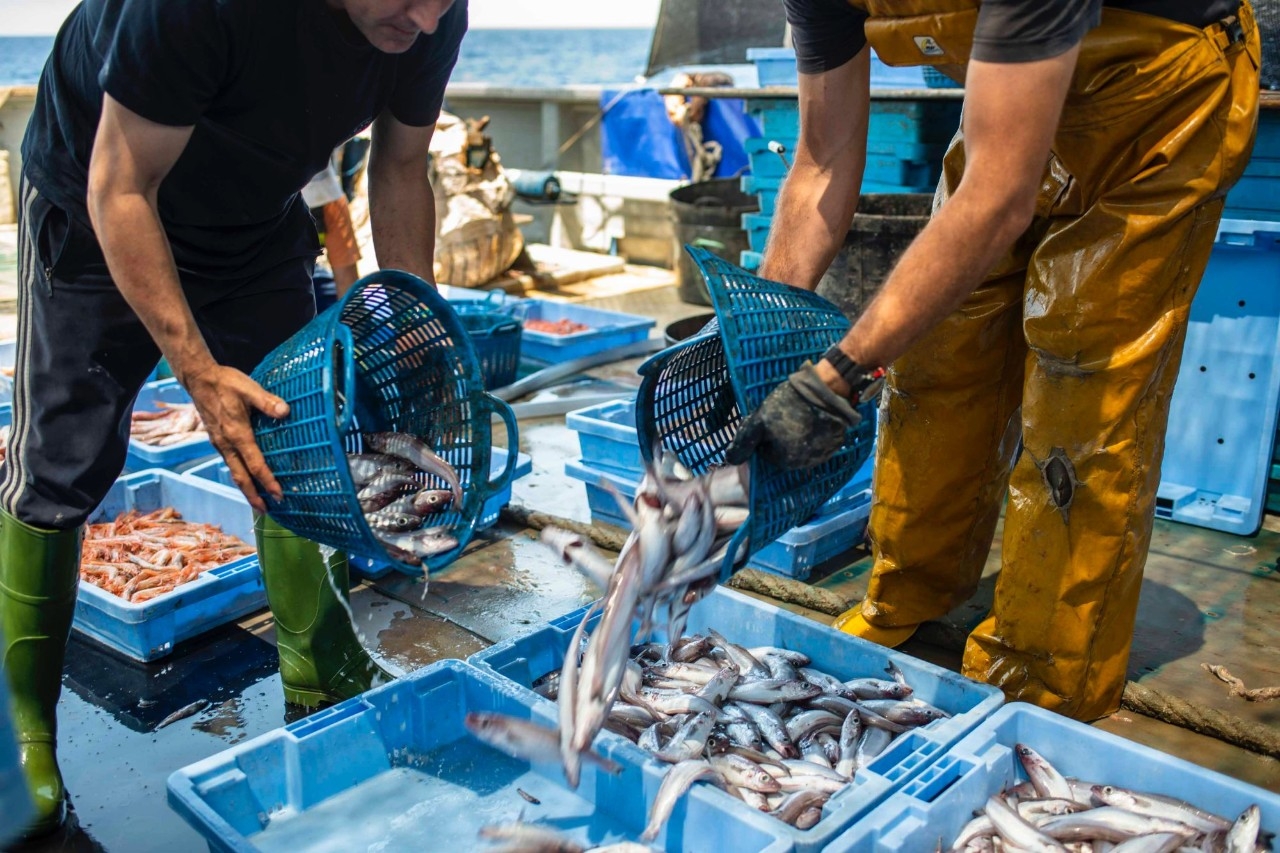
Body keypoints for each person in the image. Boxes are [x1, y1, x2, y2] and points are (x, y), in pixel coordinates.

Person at [0, 0, 466, 837]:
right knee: (61, 465)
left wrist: (415, 332)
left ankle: (323, 674)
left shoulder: (429, 13)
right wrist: (199, 374)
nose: (428, 20)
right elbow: (121, 185)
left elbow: (399, 168)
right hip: (99, 199)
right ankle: (25, 727)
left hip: (249, 219)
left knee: (296, 434)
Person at [727, 1, 1259, 723]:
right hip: (1009, 101)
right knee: (938, 361)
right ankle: (905, 591)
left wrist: (840, 372)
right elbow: (820, 162)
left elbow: (999, 198)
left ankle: (1041, 675)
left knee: (1083, 390)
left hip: (1159, 106)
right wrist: (765, 332)